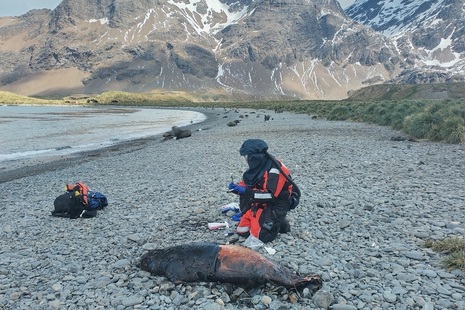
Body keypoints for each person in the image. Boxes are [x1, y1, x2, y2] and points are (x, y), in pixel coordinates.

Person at [228, 139, 297, 243]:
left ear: (253, 156)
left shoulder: (275, 169)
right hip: (260, 201)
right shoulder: (258, 166)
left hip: (277, 203)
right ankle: (267, 219)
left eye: (246, 156)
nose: (245, 159)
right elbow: (248, 183)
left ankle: (279, 223)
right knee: (242, 231)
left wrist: (246, 192)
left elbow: (271, 195)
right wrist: (236, 188)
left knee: (260, 236)